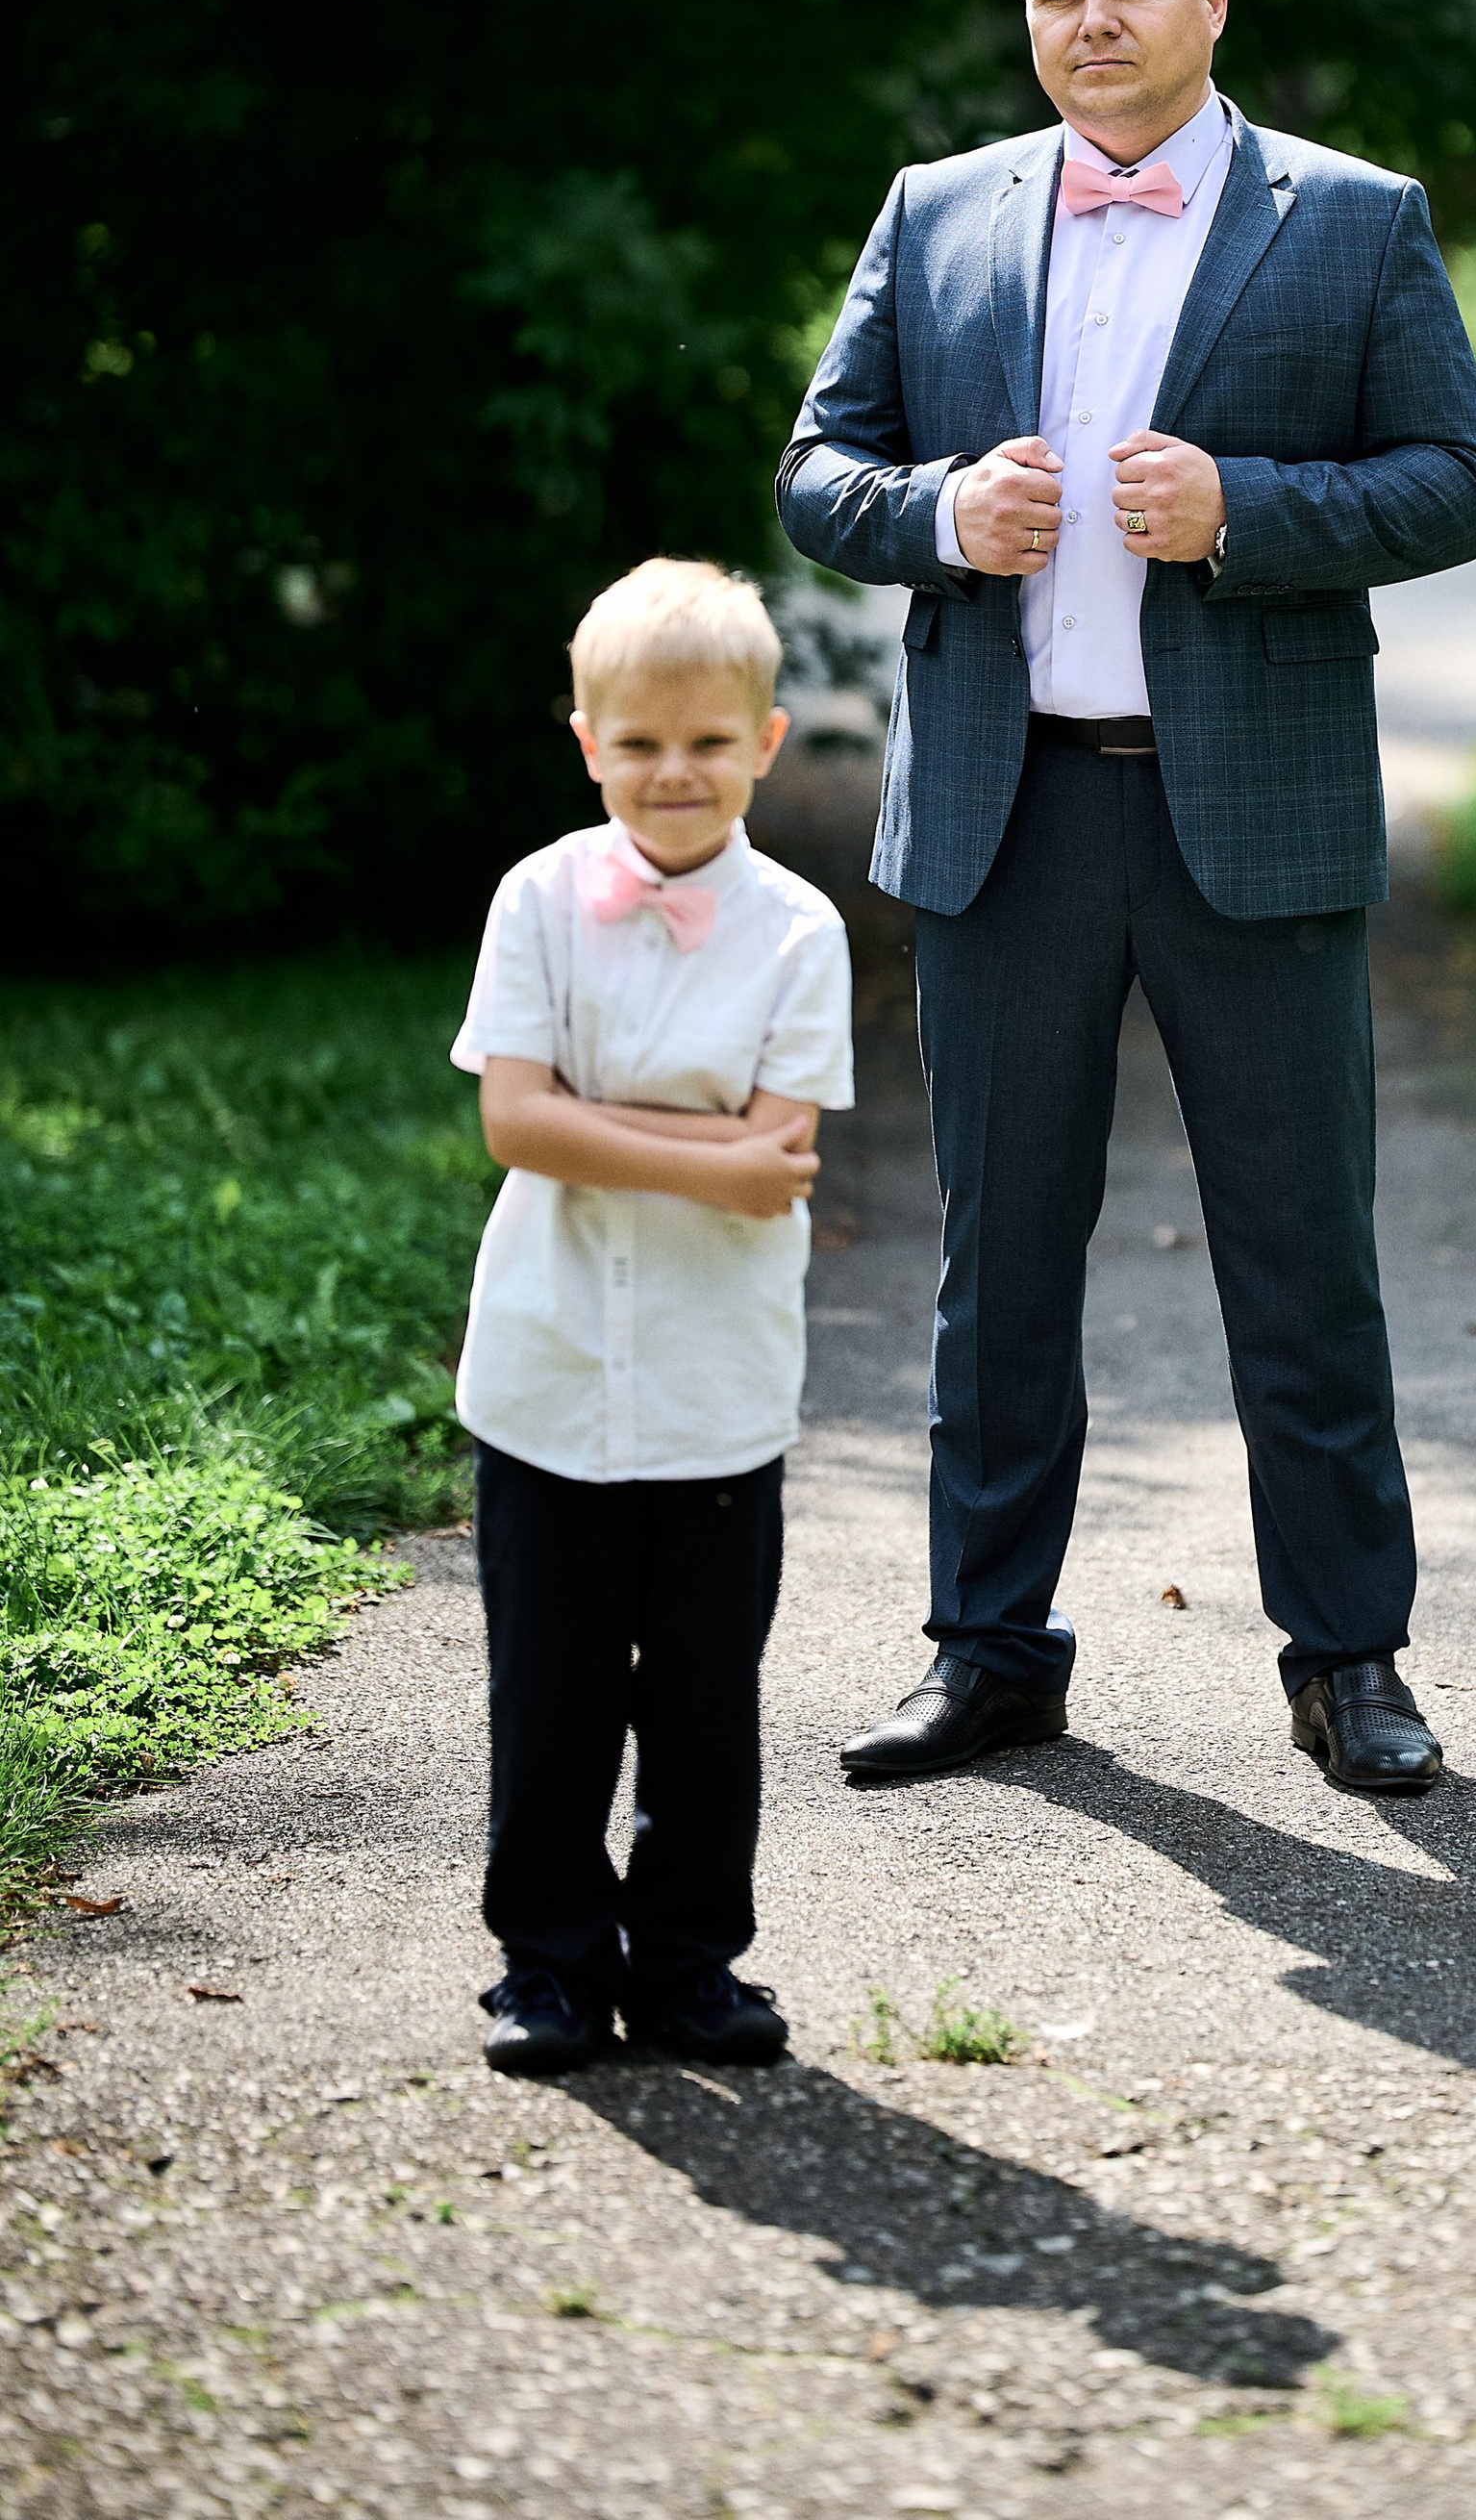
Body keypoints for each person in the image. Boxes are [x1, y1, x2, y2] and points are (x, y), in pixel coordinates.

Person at [777, 0, 1476, 1795]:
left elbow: (1455, 480)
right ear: (1027, 13)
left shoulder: (1349, 221)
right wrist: (939, 513)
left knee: (1300, 1257)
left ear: (1209, 0)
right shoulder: (935, 214)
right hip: (1006, 823)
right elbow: (818, 469)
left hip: (1250, 821)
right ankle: (988, 1651)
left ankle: (1347, 1659)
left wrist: (1246, 507)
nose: (1090, 20)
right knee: (996, 1263)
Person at [450, 558, 855, 2078]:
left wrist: (618, 1128)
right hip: (548, 1376)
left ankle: (689, 1967)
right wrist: (710, 1154)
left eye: (706, 742)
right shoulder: (537, 901)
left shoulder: (799, 932)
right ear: (588, 744)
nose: (672, 774)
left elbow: (785, 1160)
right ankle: (547, 1966)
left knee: (701, 1705)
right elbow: (519, 1129)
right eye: (639, 744)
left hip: (713, 1388)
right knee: (549, 1701)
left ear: (764, 740)